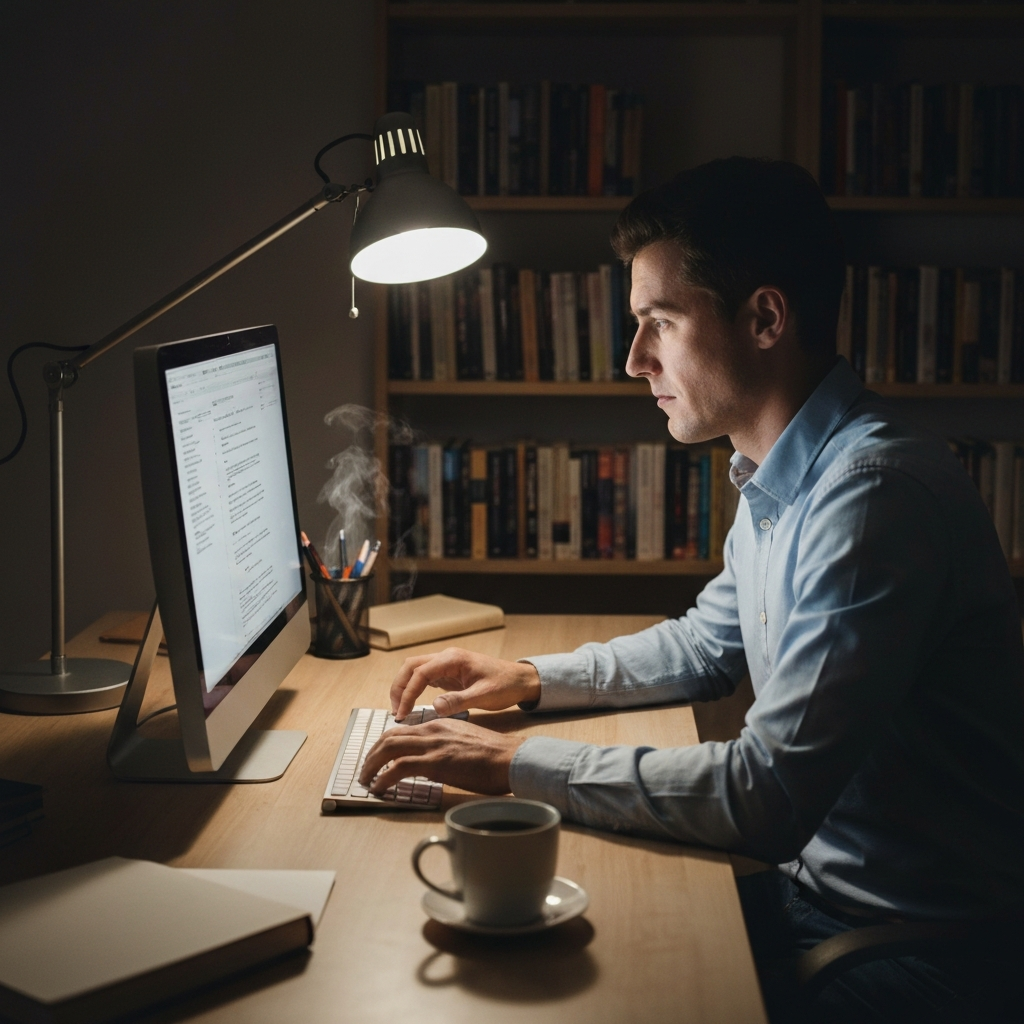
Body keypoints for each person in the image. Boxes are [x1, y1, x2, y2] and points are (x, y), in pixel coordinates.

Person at [360, 158, 1024, 1022]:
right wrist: (527, 677)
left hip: (916, 954)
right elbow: (708, 644)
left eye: (659, 322)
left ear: (765, 318)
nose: (633, 359)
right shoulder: (784, 474)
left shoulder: (871, 498)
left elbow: (766, 798)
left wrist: (510, 762)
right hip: (823, 902)